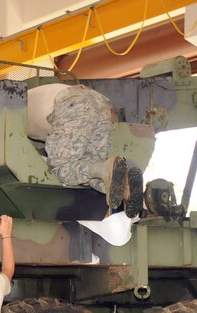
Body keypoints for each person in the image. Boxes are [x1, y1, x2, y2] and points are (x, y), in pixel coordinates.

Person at [27, 82, 143, 217]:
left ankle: (105, 168)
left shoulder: (11, 110)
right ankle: (125, 182)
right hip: (101, 103)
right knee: (87, 169)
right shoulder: (28, 95)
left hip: (72, 105)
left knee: (61, 169)